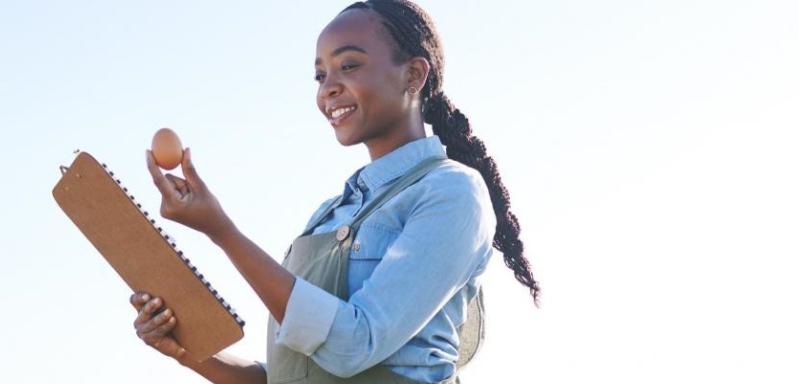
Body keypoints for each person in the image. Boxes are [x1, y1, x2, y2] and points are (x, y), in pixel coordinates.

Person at [130, 1, 540, 383]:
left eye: (349, 65)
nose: (328, 87)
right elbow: (289, 376)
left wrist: (222, 231)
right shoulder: (329, 214)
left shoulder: (451, 193)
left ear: (414, 75)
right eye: (320, 74)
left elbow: (352, 345)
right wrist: (187, 350)